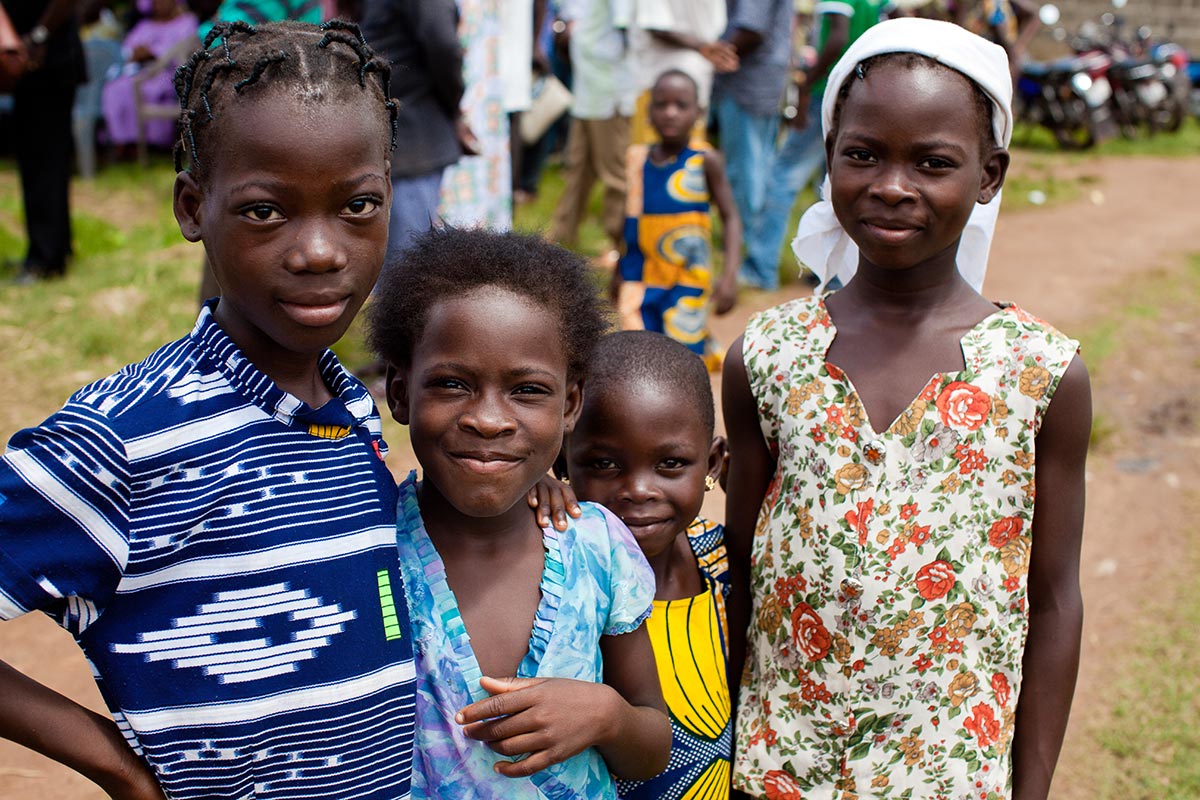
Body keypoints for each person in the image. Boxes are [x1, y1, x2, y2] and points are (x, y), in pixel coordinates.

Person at [0, 21, 420, 799]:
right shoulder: (126, 437)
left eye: (358, 205)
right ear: (194, 207)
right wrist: (116, 767)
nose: (321, 251)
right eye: (267, 212)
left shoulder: (349, 409)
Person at [722, 18, 1091, 799]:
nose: (892, 185)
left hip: (954, 776)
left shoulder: (1041, 372)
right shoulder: (767, 354)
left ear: (989, 176)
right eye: (863, 155)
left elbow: (1054, 598)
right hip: (778, 768)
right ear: (829, 159)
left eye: (933, 162)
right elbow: (743, 568)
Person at [366, 227, 671, 799]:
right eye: (453, 384)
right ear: (401, 393)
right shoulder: (365, 545)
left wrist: (606, 715)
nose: (488, 420)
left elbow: (652, 747)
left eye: (527, 390)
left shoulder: (596, 548)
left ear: (570, 404)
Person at [563, 330, 733, 800]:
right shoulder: (559, 578)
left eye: (671, 463)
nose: (638, 490)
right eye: (603, 463)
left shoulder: (723, 568)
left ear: (713, 463)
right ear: (563, 462)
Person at [741, 0, 884, 290]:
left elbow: (838, 36)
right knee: (836, 183)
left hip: (827, 92)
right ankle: (833, 273)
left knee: (783, 176)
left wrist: (806, 85)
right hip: (860, 95)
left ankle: (760, 268)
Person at [616, 69, 741, 372]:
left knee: (682, 359)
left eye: (680, 105)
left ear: (697, 113)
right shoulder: (637, 159)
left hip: (688, 276)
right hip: (641, 275)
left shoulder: (704, 160)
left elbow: (730, 216)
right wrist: (618, 270)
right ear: (649, 112)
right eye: (661, 104)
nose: (670, 113)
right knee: (639, 353)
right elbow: (630, 216)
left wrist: (729, 275)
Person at [709, 0, 792, 290]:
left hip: (748, 85)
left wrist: (712, 56)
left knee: (747, 175)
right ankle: (757, 262)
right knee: (756, 170)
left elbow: (751, 29)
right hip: (760, 82)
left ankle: (752, 265)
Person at [547, 0, 635, 267]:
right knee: (578, 167)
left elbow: (626, 28)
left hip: (609, 89)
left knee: (614, 173)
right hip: (588, 86)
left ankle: (623, 248)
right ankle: (561, 236)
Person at [7, 0, 84, 282]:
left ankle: (45, 260)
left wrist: (38, 35)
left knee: (45, 163)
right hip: (33, 68)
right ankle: (51, 248)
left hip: (49, 63)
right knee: (37, 162)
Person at [627, 0, 736, 145]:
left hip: (660, 76)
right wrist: (706, 48)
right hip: (670, 78)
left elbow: (655, 24)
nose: (671, 114)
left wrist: (708, 50)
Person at [100, 0, 198, 153]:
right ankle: (123, 142)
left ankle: (154, 142)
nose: (159, 5)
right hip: (139, 73)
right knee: (115, 89)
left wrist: (152, 53)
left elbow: (182, 52)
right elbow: (127, 50)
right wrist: (135, 53)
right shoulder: (144, 25)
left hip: (168, 74)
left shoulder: (186, 22)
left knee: (147, 89)